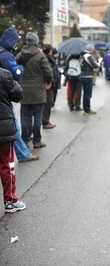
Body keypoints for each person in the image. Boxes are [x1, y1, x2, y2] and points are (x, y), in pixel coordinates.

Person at [0, 27, 39, 162]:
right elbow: (16, 73)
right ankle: (23, 154)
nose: (16, 46)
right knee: (13, 126)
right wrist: (21, 65)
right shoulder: (7, 55)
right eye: (15, 42)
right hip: (4, 95)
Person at [16, 32, 53, 148]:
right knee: (37, 115)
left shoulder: (20, 55)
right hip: (38, 89)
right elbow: (48, 71)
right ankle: (37, 141)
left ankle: (24, 141)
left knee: (25, 116)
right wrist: (48, 82)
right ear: (36, 42)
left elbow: (14, 70)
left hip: (24, 90)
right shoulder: (40, 55)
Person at [0, 67, 26, 212]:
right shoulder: (3, 74)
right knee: (6, 164)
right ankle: (10, 200)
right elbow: (18, 94)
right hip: (3, 126)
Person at [80, 44, 99, 116]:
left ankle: (86, 109)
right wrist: (99, 63)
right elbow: (95, 65)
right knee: (88, 94)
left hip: (82, 76)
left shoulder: (81, 56)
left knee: (85, 94)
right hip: (88, 76)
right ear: (90, 50)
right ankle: (87, 110)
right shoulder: (88, 56)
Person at [42, 44, 56, 129]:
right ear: (49, 50)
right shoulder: (45, 58)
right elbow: (48, 71)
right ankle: (45, 122)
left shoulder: (45, 57)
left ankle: (46, 121)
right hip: (47, 84)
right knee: (47, 104)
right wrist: (49, 82)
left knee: (47, 103)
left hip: (47, 83)